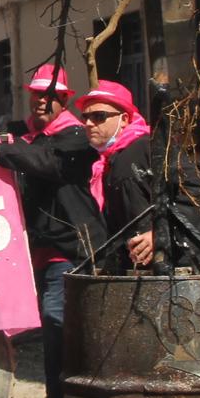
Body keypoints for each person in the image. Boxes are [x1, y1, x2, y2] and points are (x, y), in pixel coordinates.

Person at [0, 64, 104, 398]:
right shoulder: (30, 135)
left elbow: (44, 162)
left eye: (51, 96)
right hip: (44, 249)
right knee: (53, 330)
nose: (42, 101)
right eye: (38, 94)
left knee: (59, 327)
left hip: (72, 248)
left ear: (64, 100)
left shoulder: (75, 137)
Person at [76, 81, 154, 270]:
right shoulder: (107, 161)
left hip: (183, 268)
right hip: (139, 268)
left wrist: (158, 234)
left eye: (99, 116)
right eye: (85, 116)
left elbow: (190, 192)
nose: (88, 123)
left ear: (125, 119)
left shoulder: (147, 146)